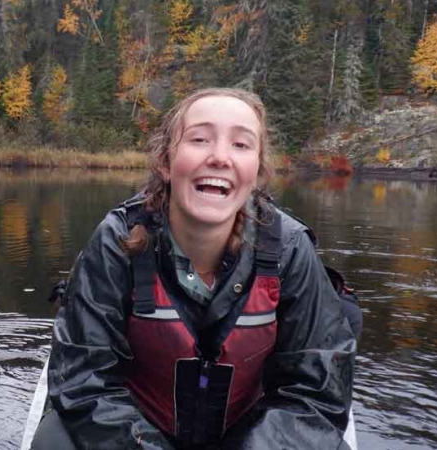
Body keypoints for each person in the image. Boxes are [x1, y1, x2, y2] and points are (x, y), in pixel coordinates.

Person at [30, 87, 357, 450]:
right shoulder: (116, 242)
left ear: (257, 172)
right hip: (138, 434)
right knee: (54, 439)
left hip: (246, 438)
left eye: (241, 145)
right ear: (166, 163)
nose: (219, 157)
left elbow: (315, 396)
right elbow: (83, 380)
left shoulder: (291, 251)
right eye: (200, 139)